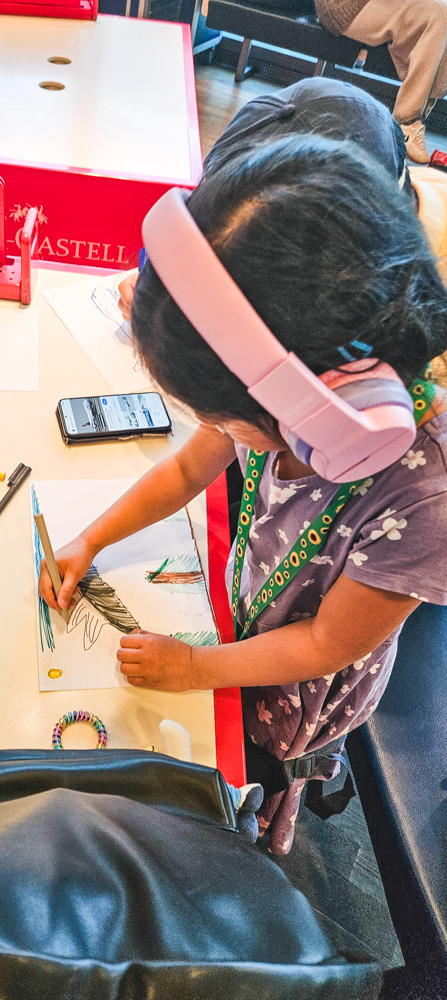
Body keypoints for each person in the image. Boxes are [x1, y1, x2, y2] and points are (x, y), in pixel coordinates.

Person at [38, 84, 447, 855]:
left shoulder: (426, 497)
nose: (210, 433)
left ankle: (261, 829)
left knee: (254, 782)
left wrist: (194, 668)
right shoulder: (294, 383)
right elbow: (191, 467)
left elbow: (326, 643)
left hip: (305, 692)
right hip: (247, 621)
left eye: (222, 418)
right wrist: (88, 539)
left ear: (314, 413)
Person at [315, 0, 447, 164]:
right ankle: (407, 123)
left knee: (440, 15)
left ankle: (410, 123)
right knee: (438, 14)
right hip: (346, 6)